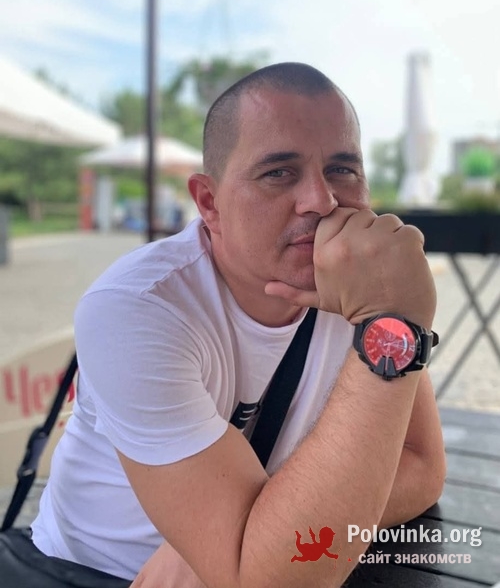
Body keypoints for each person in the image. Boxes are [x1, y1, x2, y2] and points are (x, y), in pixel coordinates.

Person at [31, 62, 446, 588]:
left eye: (342, 169)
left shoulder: (361, 283)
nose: (322, 200)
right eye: (279, 172)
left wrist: (260, 533)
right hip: (95, 571)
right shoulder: (137, 309)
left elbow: (421, 466)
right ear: (209, 202)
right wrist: (259, 545)